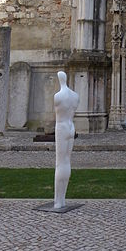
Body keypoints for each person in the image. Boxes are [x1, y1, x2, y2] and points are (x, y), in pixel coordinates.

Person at [53, 71, 79, 209]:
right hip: (71, 126)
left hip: (62, 127)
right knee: (67, 162)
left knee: (60, 163)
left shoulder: (57, 96)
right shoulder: (75, 96)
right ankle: (62, 198)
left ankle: (58, 200)